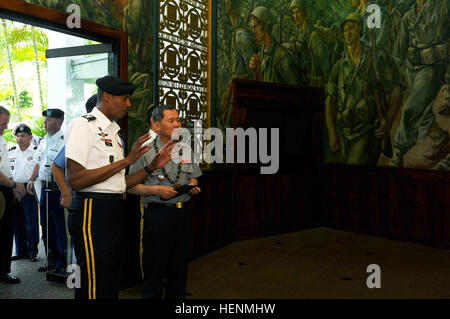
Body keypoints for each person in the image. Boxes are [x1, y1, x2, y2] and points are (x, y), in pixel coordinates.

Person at [65, 75, 174, 299]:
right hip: (91, 211)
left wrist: (150, 168)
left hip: (114, 211)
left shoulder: (114, 131)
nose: (129, 105)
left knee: (110, 278)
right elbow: (75, 179)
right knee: (94, 282)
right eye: (125, 99)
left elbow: (119, 184)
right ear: (107, 96)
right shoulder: (83, 126)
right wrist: (127, 161)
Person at [129, 104, 202, 299]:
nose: (177, 124)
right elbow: (129, 186)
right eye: (171, 120)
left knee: (179, 269)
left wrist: (192, 186)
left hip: (183, 214)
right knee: (155, 269)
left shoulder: (185, 149)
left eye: (178, 120)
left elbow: (193, 177)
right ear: (157, 124)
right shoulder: (145, 151)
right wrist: (156, 190)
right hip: (158, 215)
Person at [325, 12, 403, 165]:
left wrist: (387, 120)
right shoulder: (339, 65)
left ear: (360, 29)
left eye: (352, 27)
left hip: (368, 131)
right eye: (345, 29)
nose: (348, 32)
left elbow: (397, 89)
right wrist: (332, 132)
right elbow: (330, 99)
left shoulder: (377, 57)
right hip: (345, 132)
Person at [388, 0, 450, 167]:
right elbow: (398, 51)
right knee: (422, 112)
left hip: (432, 69)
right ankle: (439, 138)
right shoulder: (409, 15)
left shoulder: (441, 6)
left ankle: (398, 151)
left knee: (411, 108)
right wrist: (389, 75)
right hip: (412, 69)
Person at [27, 108, 67, 274]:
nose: (44, 122)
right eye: (44, 119)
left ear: (58, 122)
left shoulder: (65, 141)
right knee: (46, 225)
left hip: (58, 189)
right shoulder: (43, 141)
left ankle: (62, 264)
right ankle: (51, 261)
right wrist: (31, 178)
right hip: (44, 188)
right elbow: (38, 161)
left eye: (48, 120)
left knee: (59, 227)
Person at [51, 94, 98, 209]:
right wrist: (66, 193)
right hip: (85, 198)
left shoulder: (115, 134)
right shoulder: (82, 131)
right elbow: (56, 165)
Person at [220, 0, 258, 126]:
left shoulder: (241, 35)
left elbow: (252, 72)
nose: (225, 3)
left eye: (227, 1)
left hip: (240, 94)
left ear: (231, 4)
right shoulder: (235, 32)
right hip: (234, 90)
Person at [248, 6, 306, 85]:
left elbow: (299, 89)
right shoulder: (262, 54)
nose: (253, 31)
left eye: (256, 26)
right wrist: (256, 73)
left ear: (266, 26)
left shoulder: (282, 57)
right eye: (252, 27)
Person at [9, 124, 39, 262]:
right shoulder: (11, 153)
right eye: (18, 136)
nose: (20, 139)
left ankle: (32, 251)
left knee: (31, 221)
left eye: (23, 136)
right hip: (15, 190)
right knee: (17, 222)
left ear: (30, 137)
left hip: (29, 189)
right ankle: (21, 251)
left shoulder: (35, 152)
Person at [0, 106, 20, 284]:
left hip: (6, 189)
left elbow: (5, 166)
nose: (5, 127)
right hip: (1, 187)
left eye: (7, 123)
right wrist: (13, 184)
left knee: (7, 230)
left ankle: (3, 271)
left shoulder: (2, 140)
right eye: (3, 123)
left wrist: (12, 189)